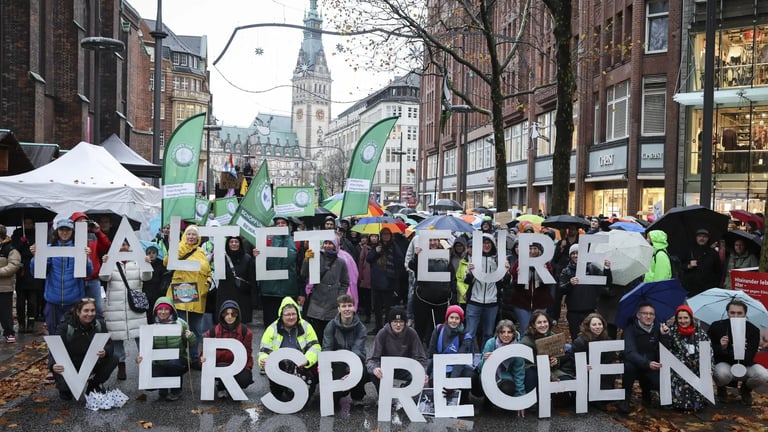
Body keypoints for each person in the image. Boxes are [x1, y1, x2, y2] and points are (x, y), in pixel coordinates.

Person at [30, 219, 93, 340]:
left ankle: (74, 359)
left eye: (68, 230)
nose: (64, 232)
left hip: (74, 301)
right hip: (53, 302)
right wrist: (35, 257)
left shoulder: (80, 249)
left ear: (72, 231)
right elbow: (37, 272)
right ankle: (54, 359)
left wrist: (87, 259)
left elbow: (88, 273)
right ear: (57, 231)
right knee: (55, 337)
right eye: (62, 229)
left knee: (75, 337)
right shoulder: (48, 248)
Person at [100, 240, 153, 380]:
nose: (122, 247)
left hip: (135, 306)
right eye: (120, 244)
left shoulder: (137, 262)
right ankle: (121, 365)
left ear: (130, 247)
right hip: (115, 308)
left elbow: (147, 277)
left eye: (125, 244)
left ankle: (146, 366)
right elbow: (104, 277)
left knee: (141, 337)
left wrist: (147, 264)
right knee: (116, 339)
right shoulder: (110, 261)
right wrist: (105, 264)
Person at [50, 298, 117, 400]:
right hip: (70, 365)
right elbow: (55, 349)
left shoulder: (99, 325)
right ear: (78, 312)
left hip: (90, 364)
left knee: (114, 358)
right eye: (86, 310)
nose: (90, 314)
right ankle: (64, 388)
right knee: (66, 393)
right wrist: (53, 365)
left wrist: (105, 351)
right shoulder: (65, 327)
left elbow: (110, 345)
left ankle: (93, 385)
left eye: (92, 310)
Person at [163, 224, 211, 366]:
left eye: (194, 234)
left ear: (198, 237)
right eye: (189, 234)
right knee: (180, 329)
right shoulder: (178, 247)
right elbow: (166, 262)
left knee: (196, 330)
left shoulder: (201, 252)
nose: (191, 237)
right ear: (185, 235)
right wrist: (181, 247)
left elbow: (208, 271)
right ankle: (181, 359)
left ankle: (195, 358)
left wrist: (207, 283)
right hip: (181, 296)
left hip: (198, 297)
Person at [258, 297, 321, 402]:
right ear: (281, 315)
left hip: (302, 366)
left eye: (294, 314)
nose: (291, 317)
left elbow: (315, 347)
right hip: (280, 367)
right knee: (279, 398)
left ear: (298, 314)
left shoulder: (306, 327)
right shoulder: (272, 329)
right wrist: (264, 360)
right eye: (287, 314)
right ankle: (279, 390)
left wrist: (307, 360)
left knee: (305, 399)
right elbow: (264, 350)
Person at [707, 299, 768, 406]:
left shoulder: (753, 330)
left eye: (739, 313)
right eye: (732, 313)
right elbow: (710, 351)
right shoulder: (716, 326)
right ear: (728, 313)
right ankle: (721, 388)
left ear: (745, 314)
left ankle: (746, 389)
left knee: (763, 375)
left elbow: (749, 357)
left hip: (745, 364)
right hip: (724, 363)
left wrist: (738, 350)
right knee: (721, 374)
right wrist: (723, 347)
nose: (736, 316)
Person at [136, 297, 196, 401]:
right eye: (160, 309)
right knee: (149, 379)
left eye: (166, 309)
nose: (163, 312)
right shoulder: (152, 327)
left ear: (171, 310)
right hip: (160, 362)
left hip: (178, 361)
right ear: (156, 311)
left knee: (173, 364)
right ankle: (163, 387)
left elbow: (191, 344)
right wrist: (140, 359)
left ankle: (176, 390)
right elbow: (147, 350)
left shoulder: (181, 323)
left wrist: (190, 336)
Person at [619, 302, 671, 414]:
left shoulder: (659, 328)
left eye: (651, 314)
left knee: (658, 381)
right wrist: (647, 363)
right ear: (638, 315)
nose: (648, 316)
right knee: (629, 367)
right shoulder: (630, 329)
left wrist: (664, 336)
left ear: (655, 316)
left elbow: (664, 352)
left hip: (652, 364)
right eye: (645, 313)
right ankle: (625, 399)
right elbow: (630, 352)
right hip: (635, 363)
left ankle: (647, 395)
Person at [661, 305, 711, 412]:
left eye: (685, 318)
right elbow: (665, 349)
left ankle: (697, 402)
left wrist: (709, 367)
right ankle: (678, 403)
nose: (683, 321)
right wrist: (664, 335)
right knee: (678, 375)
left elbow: (708, 351)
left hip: (696, 366)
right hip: (678, 366)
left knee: (698, 373)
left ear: (690, 318)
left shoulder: (700, 333)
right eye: (680, 318)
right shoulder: (671, 331)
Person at [200, 300, 254, 399]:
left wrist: (247, 369)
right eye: (226, 313)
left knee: (245, 379)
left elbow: (247, 354)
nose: (229, 317)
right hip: (219, 365)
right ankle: (221, 385)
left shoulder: (246, 332)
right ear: (222, 315)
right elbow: (205, 354)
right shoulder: (212, 332)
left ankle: (230, 385)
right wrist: (203, 359)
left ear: (238, 315)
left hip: (237, 366)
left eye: (233, 314)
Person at [464, 234, 510, 350]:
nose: (486, 245)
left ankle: (485, 358)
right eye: (484, 243)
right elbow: (467, 281)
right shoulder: (473, 259)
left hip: (492, 302)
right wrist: (470, 273)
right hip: (474, 301)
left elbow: (504, 283)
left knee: (488, 334)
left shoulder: (497, 260)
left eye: (489, 243)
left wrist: (507, 273)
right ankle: (469, 359)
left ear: (493, 244)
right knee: (470, 333)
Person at [558, 243, 612, 340]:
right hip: (573, 312)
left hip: (590, 311)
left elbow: (606, 282)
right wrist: (570, 283)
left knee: (592, 338)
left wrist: (607, 269)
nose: (575, 255)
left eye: (578, 253)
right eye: (573, 253)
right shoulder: (566, 271)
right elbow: (561, 289)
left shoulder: (592, 268)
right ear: (570, 256)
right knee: (576, 338)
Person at [367, 307, 428, 392]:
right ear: (390, 323)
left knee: (419, 376)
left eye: (401, 322)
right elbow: (372, 359)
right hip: (385, 369)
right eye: (395, 322)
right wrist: (375, 369)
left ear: (405, 323)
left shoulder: (411, 333)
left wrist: (422, 372)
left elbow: (421, 358)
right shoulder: (382, 333)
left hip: (405, 368)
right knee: (372, 373)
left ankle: (403, 394)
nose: (398, 325)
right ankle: (383, 397)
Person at [322, 294, 367, 407]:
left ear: (354, 307)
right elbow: (327, 349)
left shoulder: (361, 327)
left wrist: (351, 372)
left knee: (363, 371)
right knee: (333, 402)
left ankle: (357, 396)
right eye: (344, 306)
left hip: (355, 361)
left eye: (350, 305)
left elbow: (358, 351)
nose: (347, 309)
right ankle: (342, 391)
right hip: (337, 363)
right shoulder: (331, 326)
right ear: (339, 308)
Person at [565, 313, 618, 408]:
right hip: (584, 373)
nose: (598, 327)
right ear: (588, 326)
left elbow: (611, 359)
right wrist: (582, 366)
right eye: (594, 325)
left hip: (602, 374)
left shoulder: (608, 340)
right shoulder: (579, 342)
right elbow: (571, 360)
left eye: (600, 324)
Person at [255, 215, 299, 328]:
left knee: (288, 325)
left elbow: (300, 268)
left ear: (288, 225)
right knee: (271, 325)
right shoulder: (266, 242)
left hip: (289, 290)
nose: (280, 225)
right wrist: (256, 255)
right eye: (278, 223)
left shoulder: (297, 243)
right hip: (269, 292)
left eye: (283, 223)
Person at [409, 237, 457, 342]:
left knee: (438, 328)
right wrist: (417, 256)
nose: (432, 243)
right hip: (422, 297)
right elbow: (412, 266)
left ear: (439, 241)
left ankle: (435, 350)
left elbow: (452, 277)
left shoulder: (446, 256)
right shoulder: (421, 255)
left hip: (441, 299)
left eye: (435, 240)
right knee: (420, 327)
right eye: (430, 240)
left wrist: (451, 294)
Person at [303, 238, 350, 343]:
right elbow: (304, 273)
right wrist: (306, 260)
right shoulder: (315, 257)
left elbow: (345, 282)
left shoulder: (341, 262)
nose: (327, 246)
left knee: (330, 337)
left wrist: (339, 297)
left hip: (332, 304)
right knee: (316, 336)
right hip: (316, 301)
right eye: (326, 243)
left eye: (330, 243)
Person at [475, 319, 525, 415]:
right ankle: (487, 400)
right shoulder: (491, 343)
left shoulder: (518, 348)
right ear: (498, 333)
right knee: (483, 380)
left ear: (513, 334)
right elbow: (480, 368)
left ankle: (505, 404)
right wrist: (485, 360)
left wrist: (520, 400)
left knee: (508, 387)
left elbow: (519, 374)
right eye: (502, 332)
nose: (506, 335)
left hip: (506, 378)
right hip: (488, 376)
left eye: (509, 332)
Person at [426, 305, 474, 402]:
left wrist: (452, 383)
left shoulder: (466, 337)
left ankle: (463, 401)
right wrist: (427, 373)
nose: (454, 321)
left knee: (469, 375)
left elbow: (460, 362)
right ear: (447, 318)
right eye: (451, 317)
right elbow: (432, 353)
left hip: (458, 367)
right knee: (433, 381)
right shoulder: (438, 329)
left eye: (457, 318)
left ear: (461, 320)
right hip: (440, 366)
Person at [520, 310, 573, 393]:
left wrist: (556, 361)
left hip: (552, 369)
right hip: (534, 369)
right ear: (533, 325)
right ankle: (535, 403)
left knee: (567, 381)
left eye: (545, 322)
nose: (543, 325)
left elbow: (560, 355)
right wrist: (550, 375)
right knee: (532, 376)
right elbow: (531, 363)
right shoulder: (526, 341)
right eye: (539, 322)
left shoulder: (553, 337)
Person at [70, 212, 111, 316]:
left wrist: (98, 232)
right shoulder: (70, 238)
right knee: (78, 309)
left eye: (85, 221)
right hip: (76, 280)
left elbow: (106, 246)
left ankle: (98, 329)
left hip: (93, 279)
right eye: (79, 222)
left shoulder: (93, 236)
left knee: (98, 309)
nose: (83, 224)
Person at [366, 227, 405, 334]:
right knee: (377, 308)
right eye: (383, 234)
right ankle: (378, 327)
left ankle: (388, 327)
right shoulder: (377, 246)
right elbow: (368, 259)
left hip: (389, 281)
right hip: (377, 281)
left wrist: (396, 278)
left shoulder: (394, 246)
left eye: (388, 234)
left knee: (388, 307)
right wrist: (376, 252)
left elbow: (400, 261)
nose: (386, 236)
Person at [509, 242, 554, 331]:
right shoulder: (519, 262)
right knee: (525, 330)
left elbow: (550, 283)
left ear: (539, 250)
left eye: (535, 248)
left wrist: (545, 272)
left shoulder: (545, 263)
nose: (532, 251)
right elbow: (512, 283)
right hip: (522, 303)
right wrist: (518, 275)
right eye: (530, 248)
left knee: (540, 330)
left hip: (541, 303)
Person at [11, 218, 43, 334]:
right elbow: (14, 249)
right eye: (26, 223)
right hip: (22, 269)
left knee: (32, 301)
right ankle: (21, 323)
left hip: (34, 269)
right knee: (20, 301)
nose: (28, 225)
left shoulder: (38, 233)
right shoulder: (17, 233)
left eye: (30, 222)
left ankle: (31, 322)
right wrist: (21, 243)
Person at [217, 236, 256, 324]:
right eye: (231, 242)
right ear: (227, 244)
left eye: (236, 242)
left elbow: (252, 279)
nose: (234, 244)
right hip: (225, 295)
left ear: (240, 244)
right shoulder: (221, 258)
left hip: (243, 297)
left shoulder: (247, 258)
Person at [681, 228, 721, 297]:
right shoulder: (689, 251)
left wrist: (714, 286)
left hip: (707, 290)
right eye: (699, 236)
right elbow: (680, 266)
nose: (702, 238)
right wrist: (688, 266)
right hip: (690, 289)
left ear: (708, 238)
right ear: (696, 238)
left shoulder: (713, 253)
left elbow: (718, 271)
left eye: (704, 236)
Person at [0, 225, 21, 343]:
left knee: (5, 311)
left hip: (4, 287)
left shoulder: (10, 249)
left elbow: (14, 266)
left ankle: (9, 332)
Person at [142, 245, 167, 324]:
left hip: (158, 293)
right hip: (146, 293)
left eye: (153, 253)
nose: (151, 255)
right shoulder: (143, 263)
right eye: (149, 253)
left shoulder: (161, 264)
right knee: (147, 314)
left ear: (157, 254)